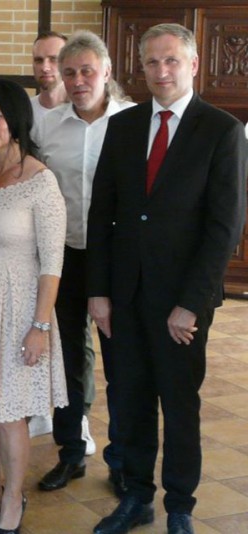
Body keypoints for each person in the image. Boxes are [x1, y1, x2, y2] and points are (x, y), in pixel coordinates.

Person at [88, 23, 247, 534]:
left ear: (193, 64)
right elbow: (101, 214)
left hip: (182, 303)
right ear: (141, 68)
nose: (161, 71)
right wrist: (99, 292)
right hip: (125, 296)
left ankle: (180, 507)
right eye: (152, 62)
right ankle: (136, 498)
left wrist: (191, 304)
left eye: (172, 60)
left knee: (179, 408)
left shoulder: (221, 130)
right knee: (130, 403)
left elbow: (225, 228)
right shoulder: (123, 126)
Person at [0, 79, 67, 534]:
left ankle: (12, 500)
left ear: (17, 119)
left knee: (7, 413)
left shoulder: (41, 181)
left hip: (20, 306)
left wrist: (39, 326)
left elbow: (52, 264)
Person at [34, 30, 135, 498]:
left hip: (119, 259)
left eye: (87, 71)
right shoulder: (48, 128)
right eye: (70, 72)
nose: (77, 81)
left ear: (107, 72)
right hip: (65, 256)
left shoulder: (133, 123)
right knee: (67, 361)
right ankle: (71, 452)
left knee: (122, 362)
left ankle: (122, 459)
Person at [30, 32, 68, 125]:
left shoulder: (80, 112)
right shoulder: (24, 111)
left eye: (53, 59)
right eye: (39, 60)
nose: (45, 68)